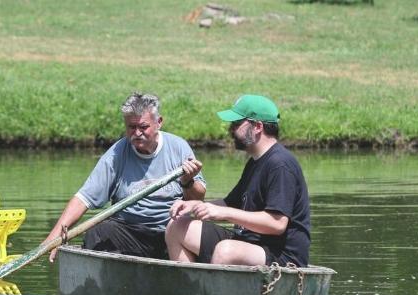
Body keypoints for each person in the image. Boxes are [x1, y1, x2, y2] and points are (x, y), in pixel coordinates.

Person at [45, 92, 205, 262]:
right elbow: (84, 198)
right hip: (130, 232)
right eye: (131, 127)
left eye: (143, 127)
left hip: (171, 231)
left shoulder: (179, 147)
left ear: (158, 123)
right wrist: (53, 238)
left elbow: (198, 197)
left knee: (201, 233)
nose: (137, 133)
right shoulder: (116, 154)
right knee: (98, 232)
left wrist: (188, 182)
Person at [164, 94, 310, 267]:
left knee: (226, 251)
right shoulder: (256, 161)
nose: (230, 130)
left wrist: (224, 214)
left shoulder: (280, 164)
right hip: (249, 242)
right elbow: (231, 203)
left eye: (236, 124)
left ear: (257, 127)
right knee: (176, 227)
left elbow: (276, 224)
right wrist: (194, 206)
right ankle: (190, 292)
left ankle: (214, 294)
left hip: (281, 255)